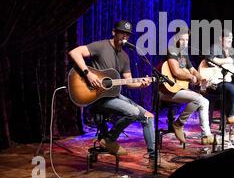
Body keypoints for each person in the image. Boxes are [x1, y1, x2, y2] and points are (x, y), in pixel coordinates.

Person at [68, 20, 173, 169]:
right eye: (122, 32)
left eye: (127, 34)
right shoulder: (101, 46)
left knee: (148, 116)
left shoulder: (124, 56)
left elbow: (128, 81)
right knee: (133, 112)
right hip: (97, 97)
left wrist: (141, 84)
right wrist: (88, 74)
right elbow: (74, 52)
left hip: (113, 96)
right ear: (114, 32)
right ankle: (109, 139)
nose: (125, 36)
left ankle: (154, 159)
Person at [160, 29, 214, 145]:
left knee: (204, 102)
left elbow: (192, 69)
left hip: (178, 89)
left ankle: (207, 135)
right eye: (182, 39)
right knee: (199, 98)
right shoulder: (172, 50)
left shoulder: (184, 53)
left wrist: (201, 78)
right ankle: (178, 124)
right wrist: (190, 77)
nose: (185, 42)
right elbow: (175, 71)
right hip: (167, 90)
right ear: (176, 39)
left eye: (187, 40)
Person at [205, 29, 234, 124]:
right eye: (228, 37)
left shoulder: (231, 50)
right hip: (215, 82)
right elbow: (209, 59)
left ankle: (229, 113)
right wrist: (227, 60)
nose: (230, 39)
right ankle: (230, 115)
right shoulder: (215, 47)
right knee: (233, 90)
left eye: (231, 37)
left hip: (227, 80)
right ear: (221, 38)